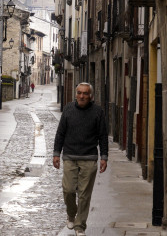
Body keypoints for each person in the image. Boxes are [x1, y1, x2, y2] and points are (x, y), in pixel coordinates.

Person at [52, 82, 108, 236]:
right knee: (68, 190)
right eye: (79, 93)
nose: (82, 96)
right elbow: (60, 133)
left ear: (91, 96)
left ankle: (80, 226)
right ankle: (71, 214)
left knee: (84, 195)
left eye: (85, 93)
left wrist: (104, 156)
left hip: (89, 158)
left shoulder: (98, 112)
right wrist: (56, 153)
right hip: (70, 157)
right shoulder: (68, 110)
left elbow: (103, 135)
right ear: (75, 94)